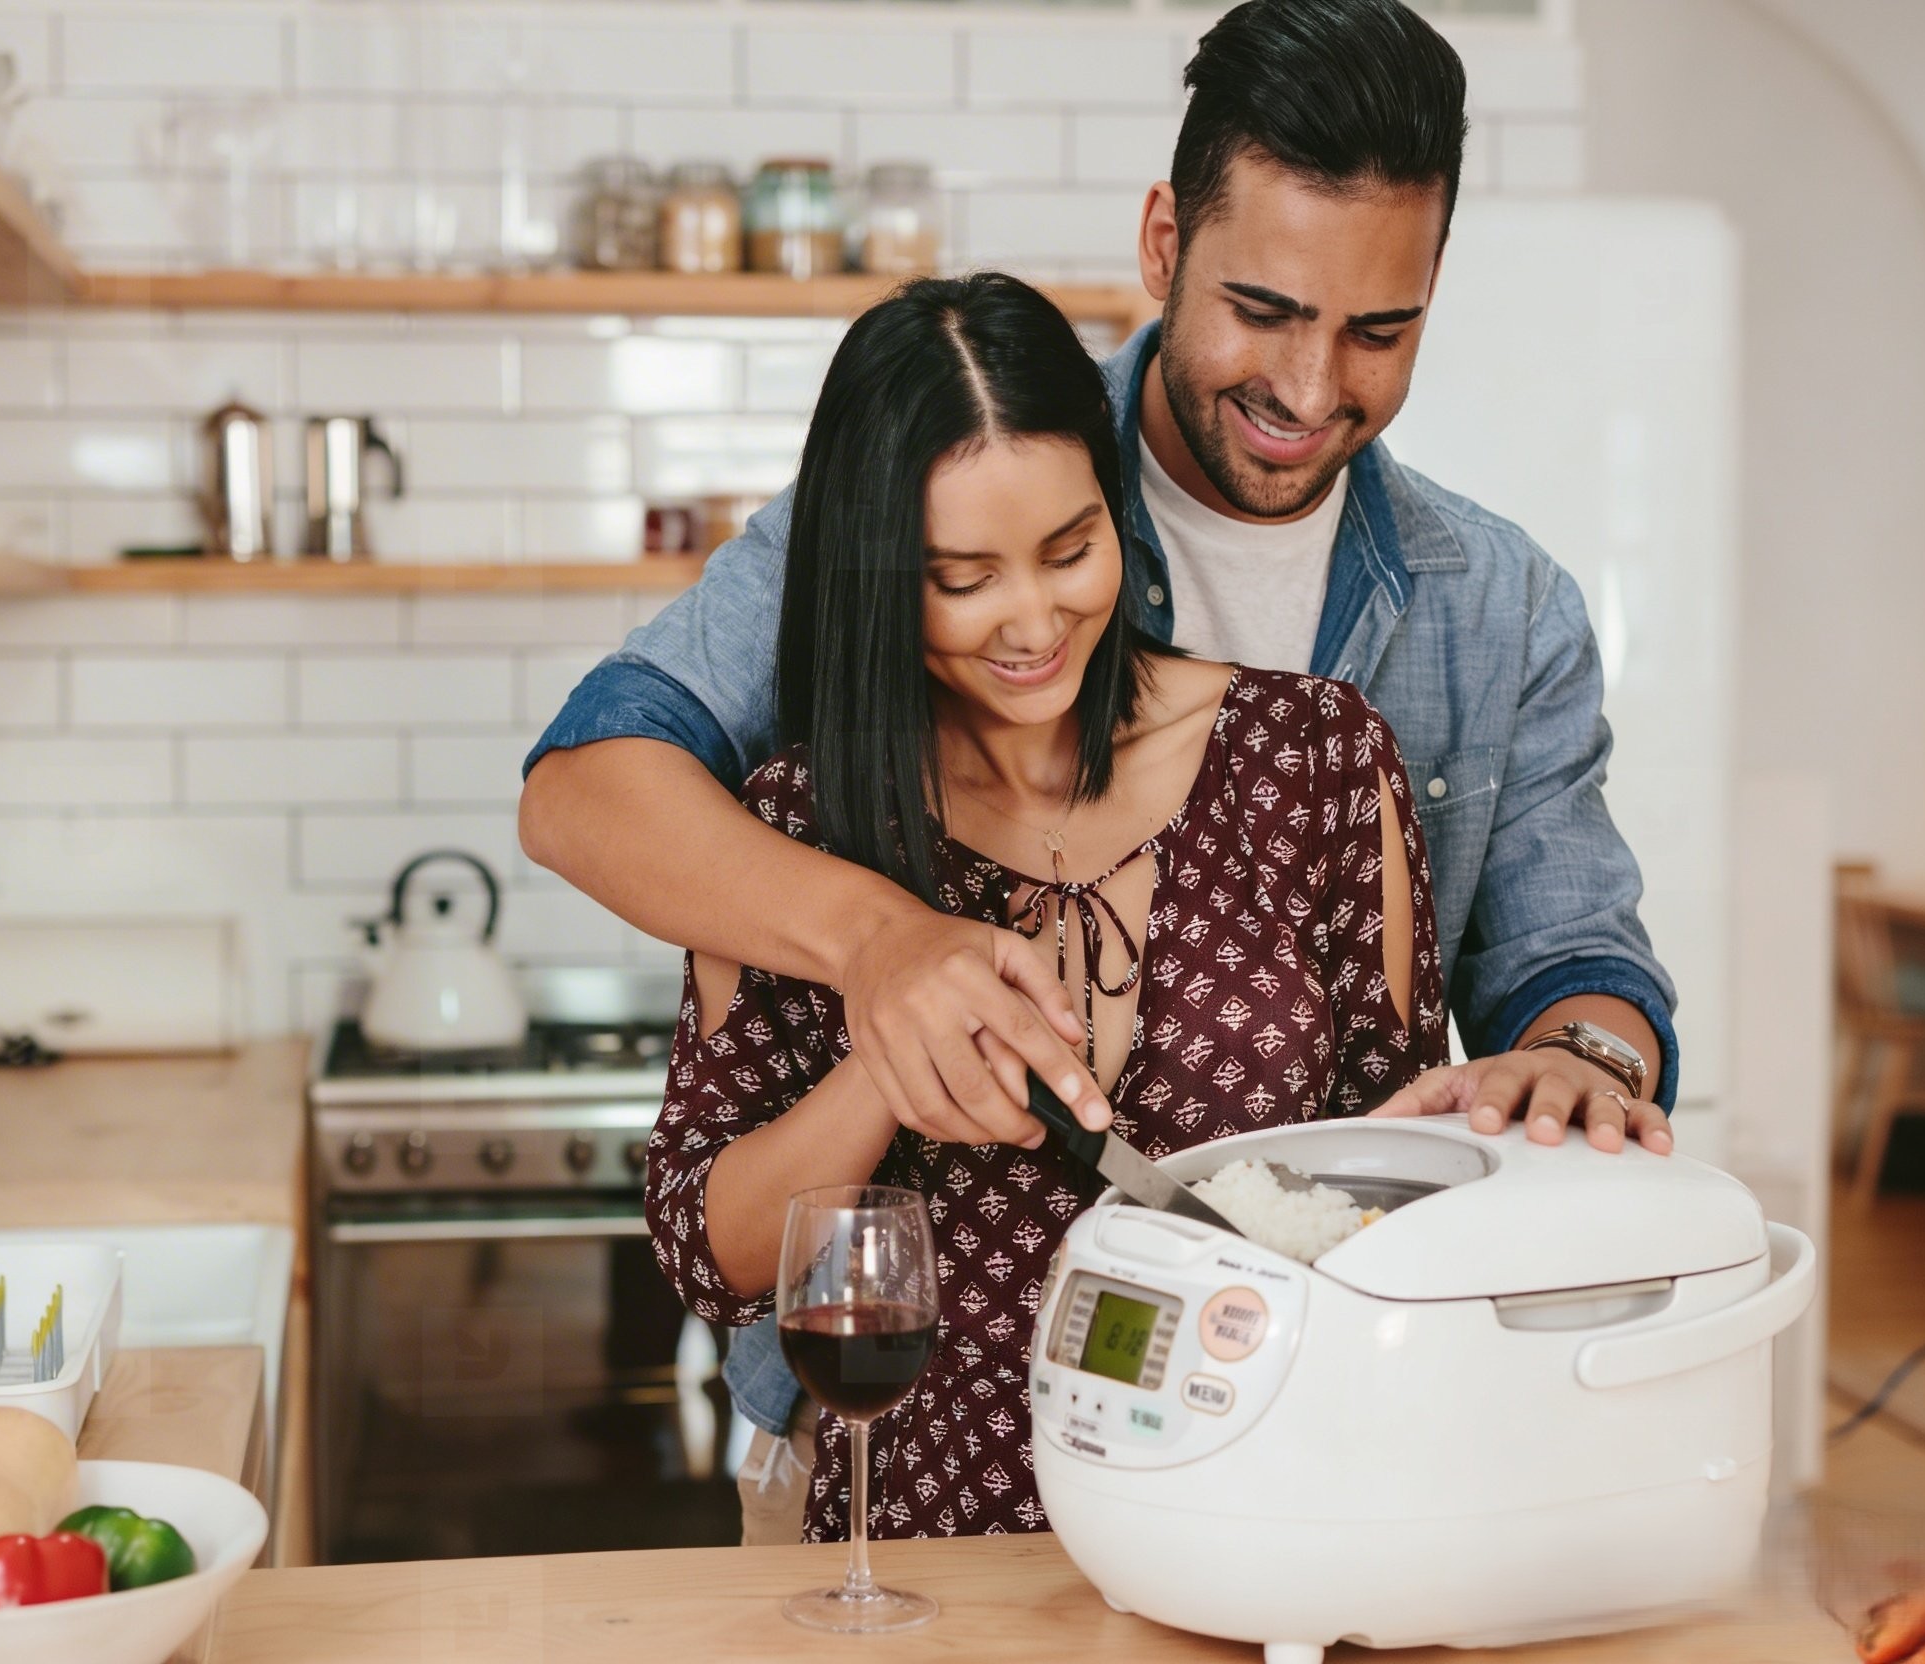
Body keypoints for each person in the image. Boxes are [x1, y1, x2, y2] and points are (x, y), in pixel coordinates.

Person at [523, 0, 1676, 1543]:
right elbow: (587, 786)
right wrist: (882, 949)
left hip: (1272, 1473)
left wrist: (1577, 1068)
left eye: (1379, 330)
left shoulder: (1487, 618)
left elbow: (1567, 966)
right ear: (1161, 240)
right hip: (882, 1480)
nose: (1314, 384)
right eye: (1263, 308)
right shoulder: (937, 470)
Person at [646, 270, 1449, 1541]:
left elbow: (1405, 1173)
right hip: (931, 1562)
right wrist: (887, 1056)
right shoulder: (797, 826)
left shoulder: (1317, 760)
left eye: (1071, 550)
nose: (1035, 619)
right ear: (878, 575)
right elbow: (712, 1250)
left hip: (1262, 1538)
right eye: (963, 577)